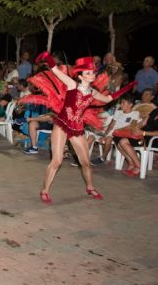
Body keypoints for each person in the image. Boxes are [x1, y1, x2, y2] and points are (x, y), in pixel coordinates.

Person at [31, 52, 137, 204]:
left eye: (92, 72)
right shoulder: (72, 85)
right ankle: (45, 190)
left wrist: (127, 87)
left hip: (77, 127)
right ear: (80, 76)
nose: (92, 74)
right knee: (57, 161)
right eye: (88, 73)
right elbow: (54, 70)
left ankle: (90, 187)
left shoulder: (93, 92)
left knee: (86, 162)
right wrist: (47, 57)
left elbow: (108, 99)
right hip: (62, 124)